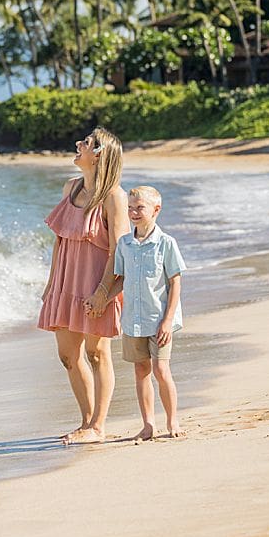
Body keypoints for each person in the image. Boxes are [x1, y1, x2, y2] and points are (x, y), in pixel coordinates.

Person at [37, 127, 128, 444]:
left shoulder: (115, 196)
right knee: (67, 355)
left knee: (98, 353)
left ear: (99, 154)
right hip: (66, 280)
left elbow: (119, 250)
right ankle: (87, 421)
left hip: (97, 283)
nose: (78, 145)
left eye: (86, 143)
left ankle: (97, 426)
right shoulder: (70, 188)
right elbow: (59, 241)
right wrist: (51, 285)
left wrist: (104, 292)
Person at [88, 186, 186, 440]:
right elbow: (121, 279)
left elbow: (175, 281)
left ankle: (173, 421)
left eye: (139, 208)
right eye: (130, 208)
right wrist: (104, 300)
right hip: (132, 320)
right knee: (140, 370)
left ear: (156, 210)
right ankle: (148, 425)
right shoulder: (125, 244)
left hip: (159, 320)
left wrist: (167, 320)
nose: (133, 212)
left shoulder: (166, 243)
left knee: (161, 370)